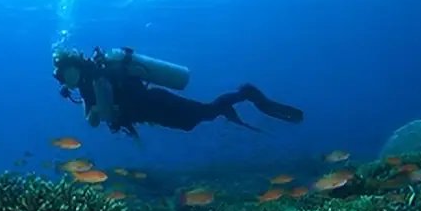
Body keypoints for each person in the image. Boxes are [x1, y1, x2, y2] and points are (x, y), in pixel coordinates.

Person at [52, 46, 304, 138]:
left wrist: (100, 110)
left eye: (64, 75)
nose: (64, 82)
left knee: (202, 114)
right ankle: (228, 105)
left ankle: (244, 94)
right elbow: (94, 119)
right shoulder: (85, 88)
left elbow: (106, 109)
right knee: (194, 121)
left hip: (155, 103)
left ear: (73, 67)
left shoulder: (99, 75)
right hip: (150, 111)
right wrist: (95, 112)